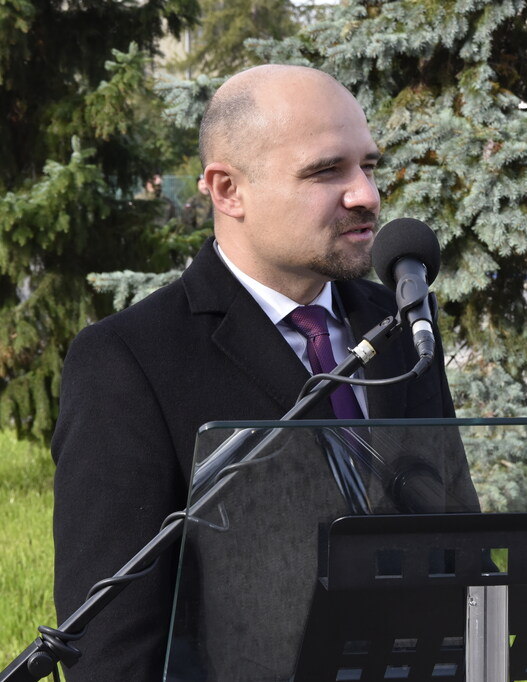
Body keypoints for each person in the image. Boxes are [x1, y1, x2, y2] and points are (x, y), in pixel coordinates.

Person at [51, 65, 471, 681]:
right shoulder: (129, 360)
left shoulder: (400, 322)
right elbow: (112, 644)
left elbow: (457, 534)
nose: (366, 195)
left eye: (368, 166)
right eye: (326, 171)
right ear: (228, 190)